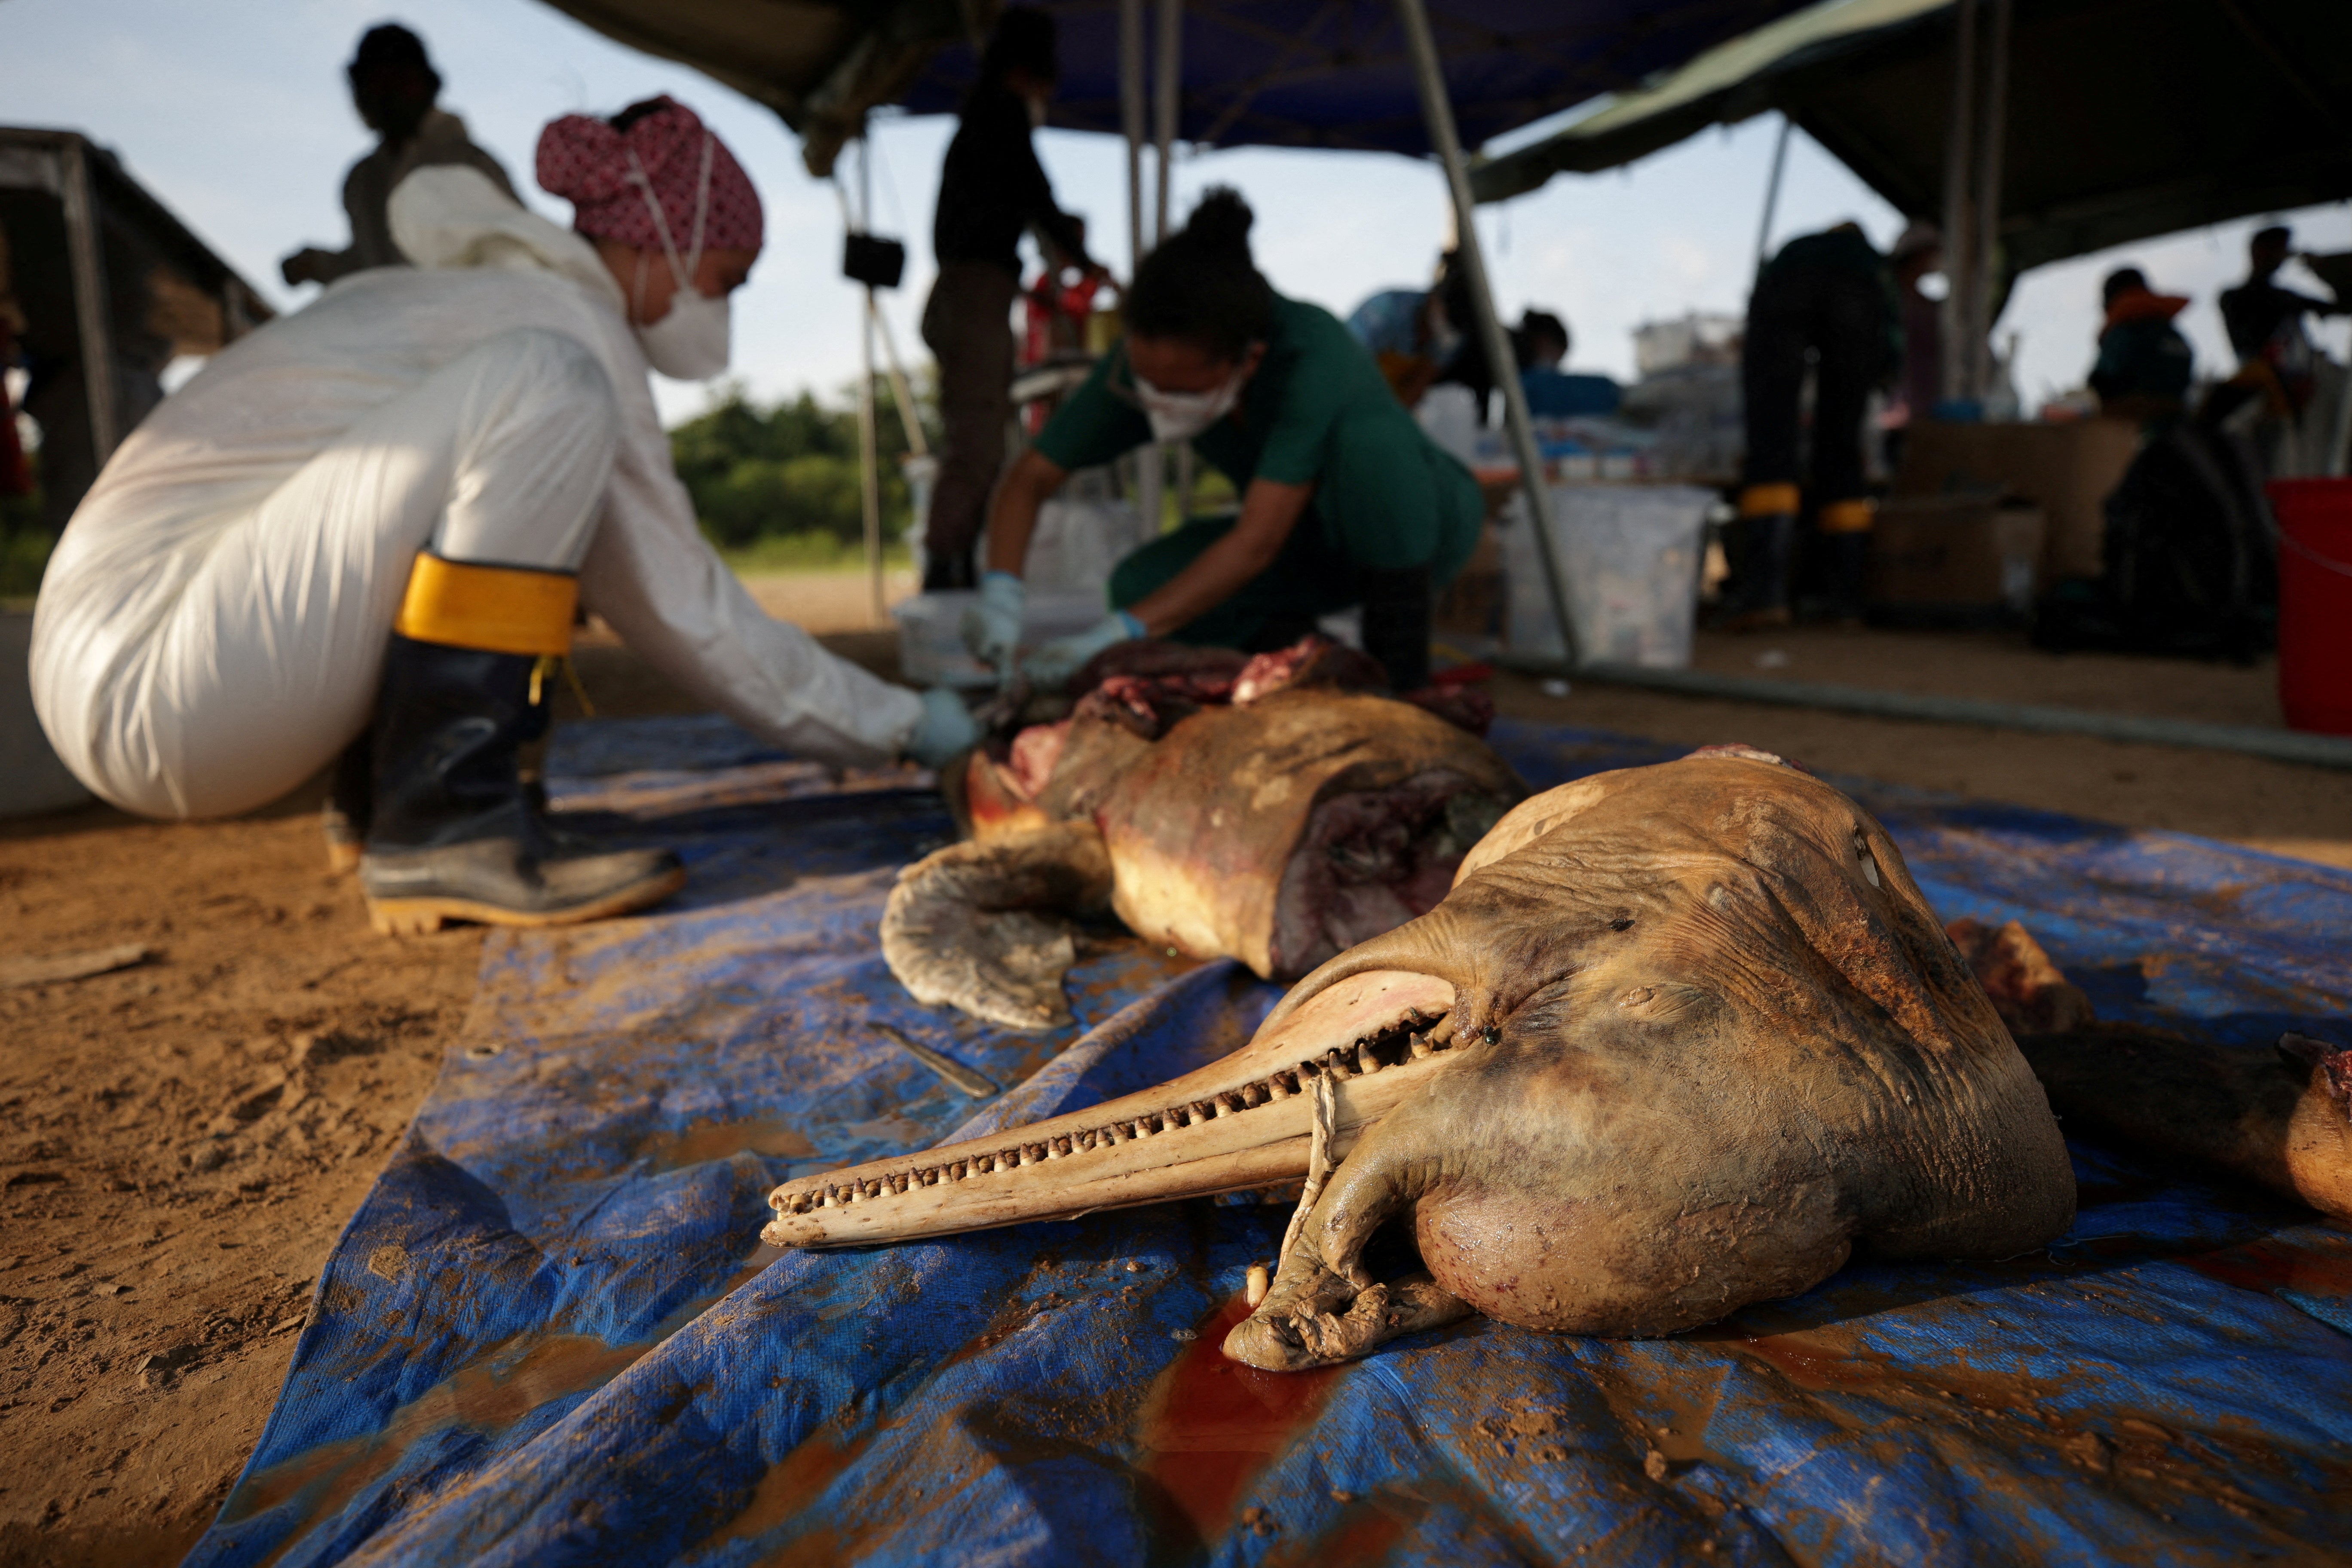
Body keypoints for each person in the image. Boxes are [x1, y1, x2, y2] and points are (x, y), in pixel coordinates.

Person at [31, 98, 974, 935]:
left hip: (141, 660)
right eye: (726, 278)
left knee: (515, 426)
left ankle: (394, 801)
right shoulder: (566, 324)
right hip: (158, 674)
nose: (722, 308)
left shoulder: (475, 302)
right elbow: (688, 611)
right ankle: (444, 819)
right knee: (547, 384)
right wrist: (912, 725)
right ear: (668, 242)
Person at [965, 189, 1483, 695]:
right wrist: (1002, 595)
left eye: (1176, 388)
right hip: (1304, 546)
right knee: (1141, 589)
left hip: (1414, 533)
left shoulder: (1311, 353)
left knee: (1371, 451)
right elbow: (1030, 478)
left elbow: (1257, 541)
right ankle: (1308, 669)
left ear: (1247, 362)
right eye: (1145, 381)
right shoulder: (1145, 364)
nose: (1154, 399)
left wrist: (1115, 634)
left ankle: (1401, 683)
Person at [920, 8, 1103, 591]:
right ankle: (947, 567)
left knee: (980, 436)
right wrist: (1087, 263)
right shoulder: (1001, 116)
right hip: (974, 293)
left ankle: (955, 563)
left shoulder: (980, 123)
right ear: (1030, 73)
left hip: (970, 291)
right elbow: (1041, 202)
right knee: (976, 440)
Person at [1727, 221, 1902, 629]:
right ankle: (1844, 599)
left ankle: (1765, 595)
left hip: (1786, 295)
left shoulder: (1796, 252)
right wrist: (1883, 371)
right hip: (1858, 309)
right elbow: (1892, 334)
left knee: (1773, 442)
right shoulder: (1870, 266)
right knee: (1842, 448)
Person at [281, 24, 517, 288]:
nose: (387, 94)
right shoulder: (363, 179)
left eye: (399, 80)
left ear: (427, 85)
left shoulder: (471, 164)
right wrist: (320, 266)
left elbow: (520, 253)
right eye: (376, 83)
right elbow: (373, 268)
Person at [2219, 224, 2345, 411]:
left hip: (2300, 384)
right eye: (2276, 250)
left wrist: (2325, 269)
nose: (2280, 258)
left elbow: (2341, 308)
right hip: (2262, 389)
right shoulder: (2235, 297)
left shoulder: (2285, 297)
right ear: (2258, 252)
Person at [2088, 267, 2193, 426]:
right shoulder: (2170, 332)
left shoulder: (2125, 332)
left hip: (2136, 430)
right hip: (2181, 422)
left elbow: (2100, 381)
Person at [1514, 310, 1620, 418]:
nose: (1555, 368)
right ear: (1543, 342)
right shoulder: (1524, 383)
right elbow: (1541, 393)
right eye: (1556, 360)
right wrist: (1618, 393)